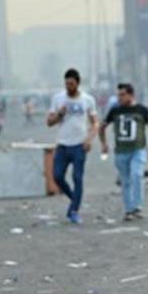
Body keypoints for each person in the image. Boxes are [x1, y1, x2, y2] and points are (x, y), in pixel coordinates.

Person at [99, 82, 148, 221]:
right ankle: (129, 210)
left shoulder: (141, 110)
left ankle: (137, 206)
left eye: (123, 94)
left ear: (131, 95)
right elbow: (102, 126)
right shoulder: (115, 110)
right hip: (121, 151)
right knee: (125, 181)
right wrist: (104, 144)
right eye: (118, 95)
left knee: (136, 175)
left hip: (138, 150)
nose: (120, 98)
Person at [46, 68, 99, 225]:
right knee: (57, 176)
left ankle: (73, 210)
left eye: (71, 84)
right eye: (66, 84)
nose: (69, 87)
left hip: (79, 145)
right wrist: (59, 114)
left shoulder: (87, 100)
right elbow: (49, 122)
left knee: (77, 178)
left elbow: (95, 122)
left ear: (78, 83)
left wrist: (89, 139)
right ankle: (74, 199)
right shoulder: (58, 99)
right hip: (62, 144)